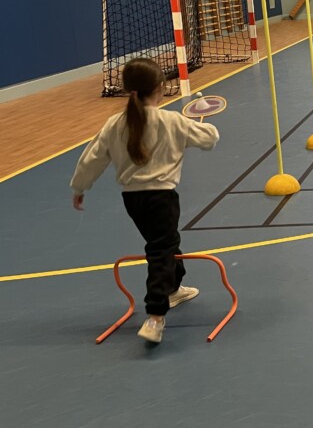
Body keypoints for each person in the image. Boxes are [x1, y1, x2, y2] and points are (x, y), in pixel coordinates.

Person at [70, 58, 219, 343]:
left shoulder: (114, 124)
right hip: (162, 198)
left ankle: (173, 288)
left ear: (129, 90)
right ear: (160, 87)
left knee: (164, 242)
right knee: (161, 249)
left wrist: (79, 187)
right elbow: (210, 139)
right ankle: (155, 316)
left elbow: (92, 158)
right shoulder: (171, 121)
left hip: (133, 201)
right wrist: (205, 125)